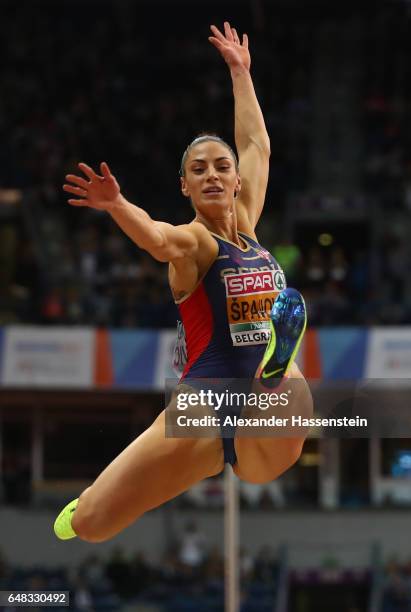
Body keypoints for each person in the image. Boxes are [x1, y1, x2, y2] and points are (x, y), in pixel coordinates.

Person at [54, 22, 312, 543]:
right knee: (91, 526)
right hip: (204, 403)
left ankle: (275, 366)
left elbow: (256, 142)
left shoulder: (249, 225)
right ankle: (95, 502)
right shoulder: (195, 244)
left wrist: (241, 72)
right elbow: (155, 238)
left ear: (236, 178)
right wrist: (117, 204)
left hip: (268, 403)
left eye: (222, 166)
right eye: (199, 170)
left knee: (285, 410)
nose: (213, 174)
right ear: (185, 185)